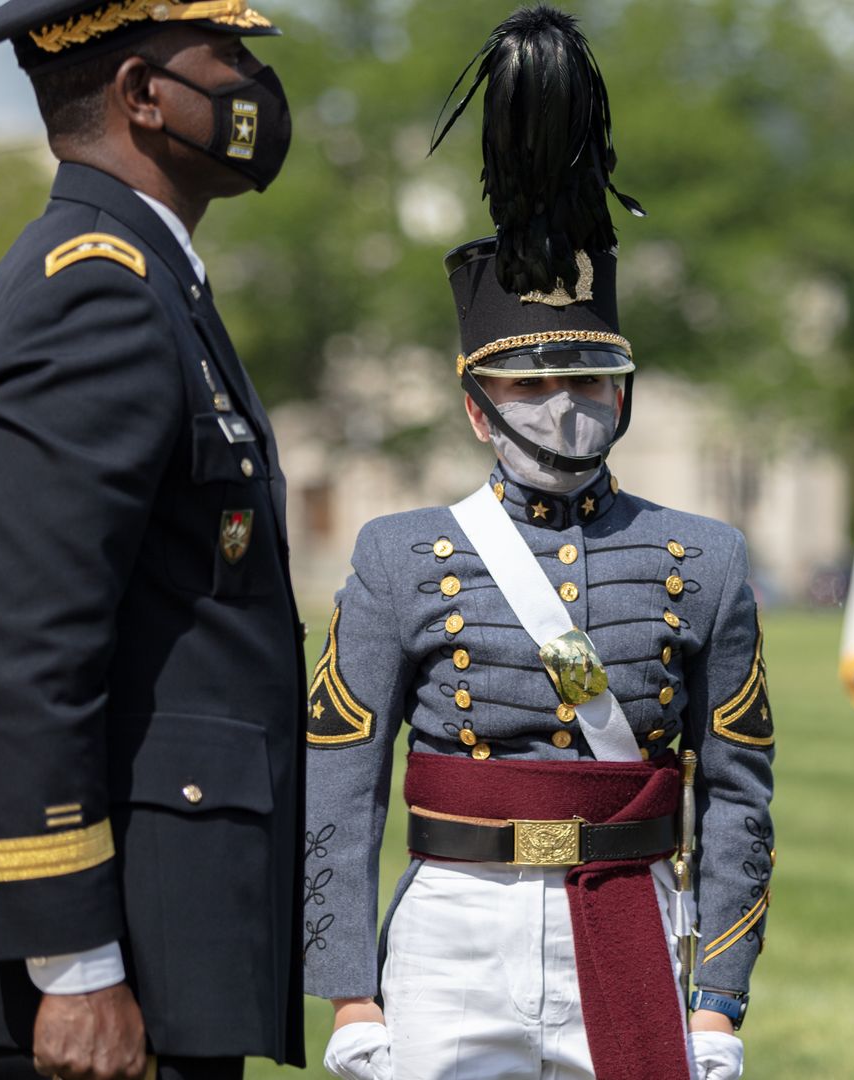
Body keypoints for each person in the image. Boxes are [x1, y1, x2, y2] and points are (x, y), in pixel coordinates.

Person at [300, 9, 771, 1080]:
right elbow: (343, 785)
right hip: (453, 935)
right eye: (532, 384)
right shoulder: (397, 556)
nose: (565, 405)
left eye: (589, 380)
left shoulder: (707, 559)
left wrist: (721, 1005)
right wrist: (350, 995)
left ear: (624, 387)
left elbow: (738, 792)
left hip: (632, 916)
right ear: (479, 407)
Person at [0, 3, 306, 1078]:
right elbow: (22, 652)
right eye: (233, 59)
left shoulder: (140, 282)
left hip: (161, 930)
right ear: (144, 96)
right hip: (117, 963)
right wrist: (76, 966)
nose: (257, 86)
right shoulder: (101, 298)